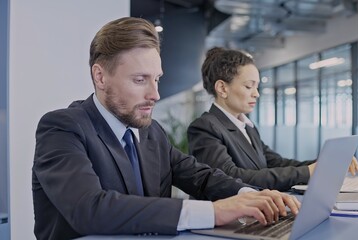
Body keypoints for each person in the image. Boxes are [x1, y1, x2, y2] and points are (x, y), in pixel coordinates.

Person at [31, 17, 301, 240]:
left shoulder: (152, 132)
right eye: (140, 80)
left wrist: (251, 196)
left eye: (157, 79)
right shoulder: (62, 128)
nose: (155, 94)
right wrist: (214, 212)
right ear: (100, 76)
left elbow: (201, 176)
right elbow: (90, 209)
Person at [187, 47, 358, 192]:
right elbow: (230, 178)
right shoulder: (205, 127)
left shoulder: (247, 127)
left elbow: (275, 163)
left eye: (257, 86)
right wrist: (307, 173)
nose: (256, 93)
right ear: (222, 88)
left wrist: (324, 163)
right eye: (249, 86)